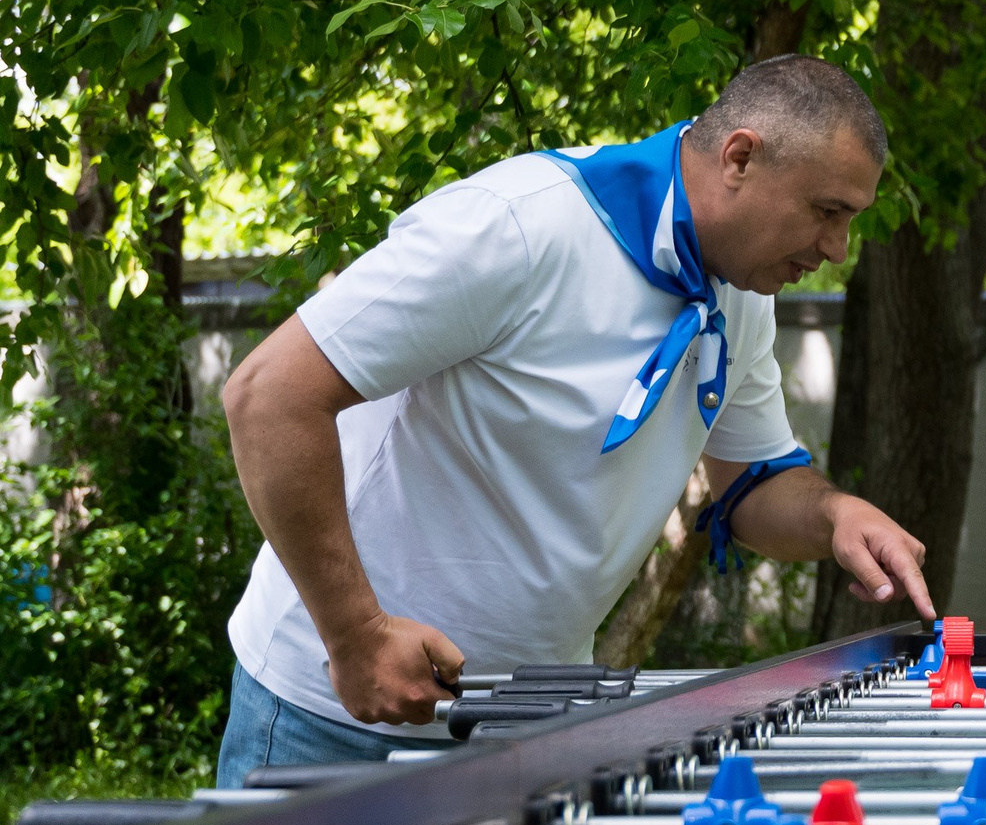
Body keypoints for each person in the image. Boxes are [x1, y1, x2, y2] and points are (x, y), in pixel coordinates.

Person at [215, 55, 934, 785]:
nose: (839, 248)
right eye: (827, 211)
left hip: (525, 724)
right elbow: (268, 395)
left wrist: (835, 515)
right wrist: (356, 632)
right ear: (740, 157)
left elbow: (750, 487)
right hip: (334, 714)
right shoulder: (520, 227)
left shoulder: (740, 295)